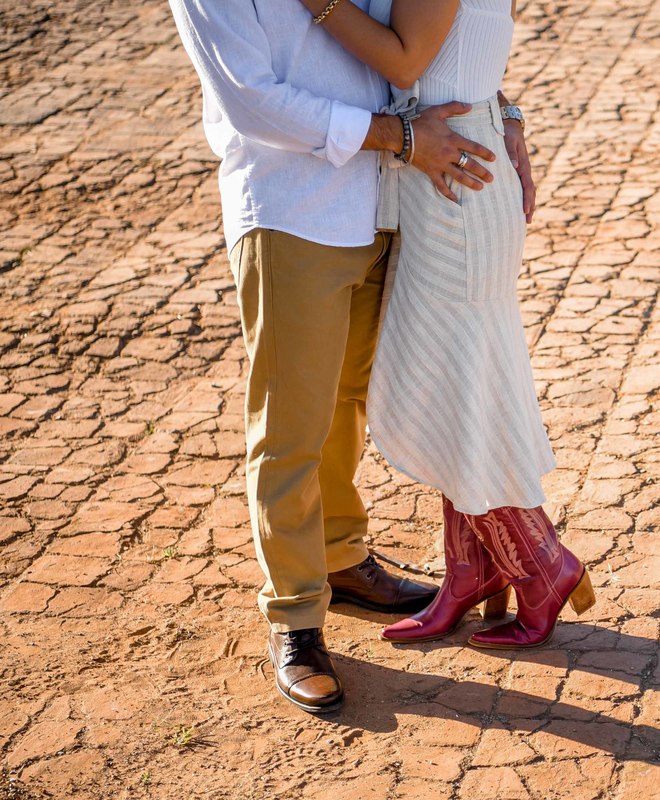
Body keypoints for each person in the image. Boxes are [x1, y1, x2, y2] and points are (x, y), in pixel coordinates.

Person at [167, 0, 508, 714]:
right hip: (293, 209)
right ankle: (294, 616)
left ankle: (342, 558)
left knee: (348, 399)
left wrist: (504, 119)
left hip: (388, 201)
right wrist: (398, 138)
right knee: (291, 423)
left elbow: (417, 42)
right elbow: (252, 100)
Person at [289, 0, 596, 651]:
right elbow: (459, 58)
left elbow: (407, 58)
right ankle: (471, 570)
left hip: (453, 185)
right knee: (462, 385)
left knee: (459, 390)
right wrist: (507, 111)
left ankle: (544, 565)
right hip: (451, 170)